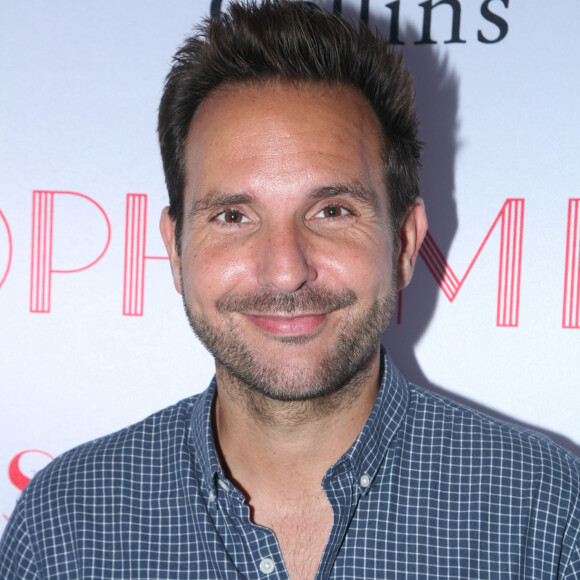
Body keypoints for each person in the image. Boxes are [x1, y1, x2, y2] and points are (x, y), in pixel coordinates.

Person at [1, 1, 579, 578]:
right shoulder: (66, 523)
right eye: (232, 216)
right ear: (175, 250)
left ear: (404, 243)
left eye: (330, 210)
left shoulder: (547, 514)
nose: (284, 271)